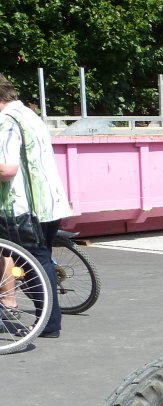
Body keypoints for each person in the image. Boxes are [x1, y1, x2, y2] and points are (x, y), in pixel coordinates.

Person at [0, 72, 71, 339]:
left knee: (34, 263)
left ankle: (48, 323)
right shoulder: (29, 115)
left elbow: (7, 169)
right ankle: (45, 319)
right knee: (40, 261)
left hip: (23, 207)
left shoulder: (6, 121)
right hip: (50, 203)